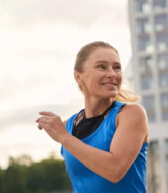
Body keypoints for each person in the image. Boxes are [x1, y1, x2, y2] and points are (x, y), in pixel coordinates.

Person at [36, 41, 148, 193]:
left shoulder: (130, 114)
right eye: (102, 66)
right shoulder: (68, 126)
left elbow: (115, 170)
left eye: (117, 67)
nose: (112, 74)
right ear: (78, 77)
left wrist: (64, 137)